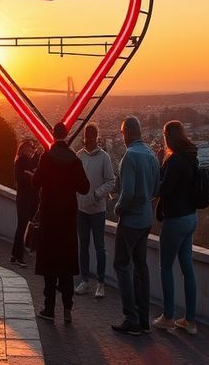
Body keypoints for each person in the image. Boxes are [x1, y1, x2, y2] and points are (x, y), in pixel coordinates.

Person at [33, 123, 90, 325]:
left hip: (50, 217)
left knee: (50, 264)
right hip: (67, 218)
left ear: (52, 135)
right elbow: (84, 187)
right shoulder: (75, 160)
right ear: (66, 136)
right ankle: (67, 307)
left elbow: (35, 182)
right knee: (66, 263)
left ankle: (49, 308)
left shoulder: (46, 158)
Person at [111, 116, 160, 336]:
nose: (122, 137)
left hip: (130, 220)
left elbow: (128, 192)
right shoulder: (150, 154)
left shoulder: (130, 156)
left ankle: (131, 319)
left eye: (122, 133)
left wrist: (118, 208)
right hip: (146, 219)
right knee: (141, 267)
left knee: (122, 265)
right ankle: (143, 318)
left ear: (128, 133)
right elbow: (156, 189)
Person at [153, 120, 200, 335]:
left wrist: (160, 166)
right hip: (190, 217)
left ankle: (168, 316)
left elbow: (163, 190)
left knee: (165, 267)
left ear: (168, 136)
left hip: (175, 219)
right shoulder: (191, 157)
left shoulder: (175, 161)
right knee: (187, 269)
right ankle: (190, 320)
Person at [75, 123, 116, 299]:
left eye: (91, 137)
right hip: (81, 208)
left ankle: (100, 282)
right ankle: (85, 279)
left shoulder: (104, 157)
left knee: (99, 246)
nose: (88, 140)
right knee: (83, 245)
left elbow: (111, 181)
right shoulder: (79, 156)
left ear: (96, 138)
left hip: (97, 209)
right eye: (87, 137)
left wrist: (97, 194)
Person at [10, 139, 39, 268]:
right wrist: (30, 175)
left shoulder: (21, 161)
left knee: (21, 227)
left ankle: (15, 255)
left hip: (24, 197)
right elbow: (22, 178)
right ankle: (19, 256)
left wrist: (30, 174)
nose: (30, 151)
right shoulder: (22, 161)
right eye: (28, 149)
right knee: (22, 227)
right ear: (23, 149)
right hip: (24, 198)